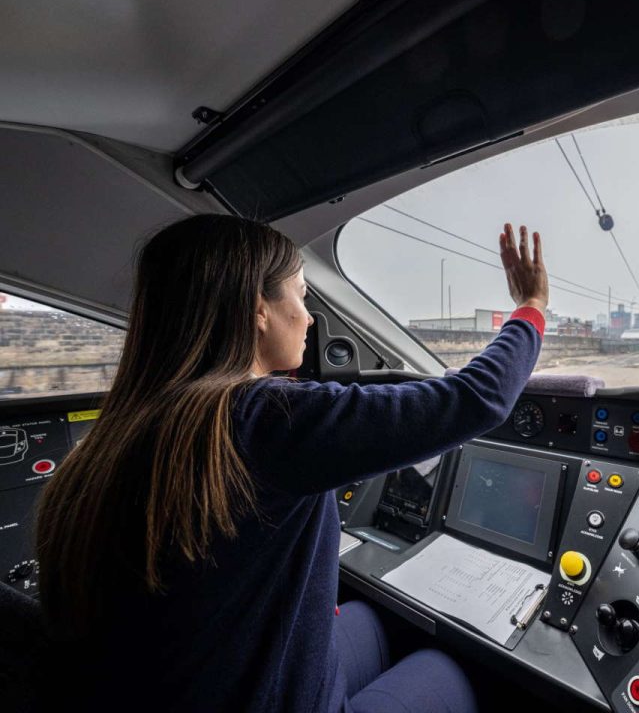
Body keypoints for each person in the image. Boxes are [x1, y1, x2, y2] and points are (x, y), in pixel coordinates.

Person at [35, 214, 549, 713]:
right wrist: (531, 305)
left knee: (370, 619)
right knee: (449, 668)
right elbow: (477, 399)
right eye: (302, 296)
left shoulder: (116, 432)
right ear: (259, 309)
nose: (309, 317)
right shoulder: (262, 418)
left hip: (166, 689)